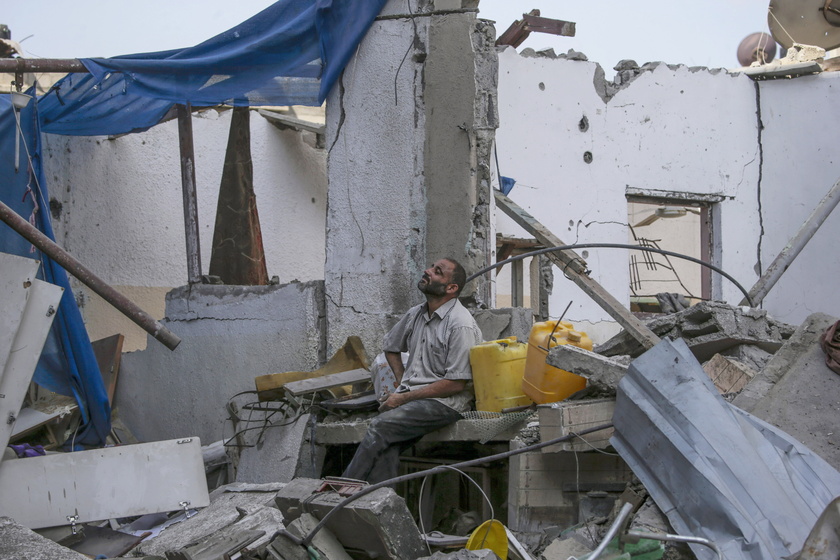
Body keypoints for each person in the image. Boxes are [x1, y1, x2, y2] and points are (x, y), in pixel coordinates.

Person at [342, 257, 483, 484]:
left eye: (437, 271)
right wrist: (401, 383)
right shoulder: (416, 313)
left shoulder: (460, 323)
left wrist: (402, 397)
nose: (427, 271)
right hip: (416, 398)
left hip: (446, 403)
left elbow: (456, 384)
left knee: (380, 426)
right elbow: (391, 347)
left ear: (451, 288)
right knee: (388, 443)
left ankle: (342, 492)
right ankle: (378, 501)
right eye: (431, 267)